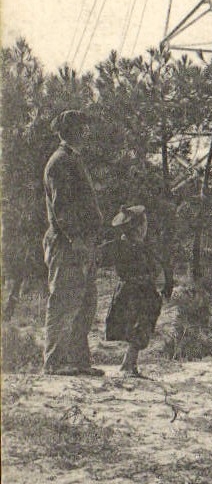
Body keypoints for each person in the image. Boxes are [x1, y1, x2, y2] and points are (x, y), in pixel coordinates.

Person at [42, 108, 104, 376]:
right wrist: (77, 239)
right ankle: (54, 363)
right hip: (68, 244)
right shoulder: (60, 162)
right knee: (64, 302)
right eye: (83, 127)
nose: (87, 132)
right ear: (73, 131)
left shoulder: (71, 159)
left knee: (85, 302)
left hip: (81, 243)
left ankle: (78, 361)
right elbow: (62, 208)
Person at [102, 205, 171, 376]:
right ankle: (128, 365)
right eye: (144, 223)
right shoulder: (130, 247)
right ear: (138, 226)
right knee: (139, 327)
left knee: (139, 328)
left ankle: (129, 364)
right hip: (138, 293)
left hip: (136, 291)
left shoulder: (133, 245)